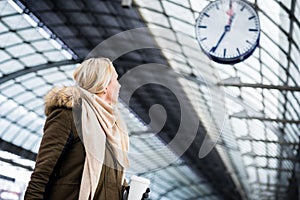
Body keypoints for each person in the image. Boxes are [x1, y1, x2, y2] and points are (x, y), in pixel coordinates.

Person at [25, 58, 130, 200]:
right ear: (104, 85)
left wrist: (128, 190)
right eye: (115, 80)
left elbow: (108, 181)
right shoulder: (68, 116)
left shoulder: (112, 129)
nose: (118, 85)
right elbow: (42, 174)